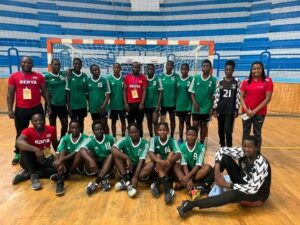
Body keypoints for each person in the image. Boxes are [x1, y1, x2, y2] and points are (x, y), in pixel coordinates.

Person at [177, 135, 271, 218]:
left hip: (256, 195)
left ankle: (191, 204)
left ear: (257, 147)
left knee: (233, 194)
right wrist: (217, 168)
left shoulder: (261, 164)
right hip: (243, 181)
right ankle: (205, 186)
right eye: (244, 146)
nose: (246, 149)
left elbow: (252, 189)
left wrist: (227, 185)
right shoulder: (243, 152)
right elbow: (221, 150)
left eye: (250, 147)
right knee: (225, 158)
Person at [7, 56, 51, 165]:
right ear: (21, 63)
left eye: (29, 62)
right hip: (21, 109)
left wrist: (48, 106)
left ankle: (46, 151)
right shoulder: (14, 76)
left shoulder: (39, 76)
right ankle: (18, 152)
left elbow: (45, 91)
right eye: (24, 62)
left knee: (42, 130)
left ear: (32, 64)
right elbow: (10, 94)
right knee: (20, 132)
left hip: (36, 108)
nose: (27, 64)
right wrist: (9, 109)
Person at [13, 114, 58, 190]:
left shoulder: (51, 129)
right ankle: (34, 178)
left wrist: (59, 158)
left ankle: (28, 174)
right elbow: (18, 142)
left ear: (44, 120)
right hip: (30, 158)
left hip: (46, 153)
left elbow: (55, 144)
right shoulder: (27, 131)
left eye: (41, 120)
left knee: (56, 169)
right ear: (32, 122)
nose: (39, 122)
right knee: (24, 149)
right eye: (36, 121)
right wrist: (36, 149)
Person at [140, 122, 181, 204]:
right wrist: (159, 161)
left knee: (171, 154)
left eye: (164, 130)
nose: (162, 132)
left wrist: (167, 161)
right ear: (157, 131)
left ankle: (157, 183)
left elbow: (179, 154)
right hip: (157, 166)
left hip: (168, 166)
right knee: (157, 155)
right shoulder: (153, 139)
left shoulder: (172, 141)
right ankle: (168, 191)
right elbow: (151, 153)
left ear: (168, 131)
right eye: (160, 130)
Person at [240, 61, 273, 151]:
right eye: (254, 69)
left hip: (259, 113)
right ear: (251, 70)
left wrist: (254, 111)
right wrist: (246, 110)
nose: (256, 70)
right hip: (246, 112)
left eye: (258, 68)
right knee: (245, 133)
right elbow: (241, 96)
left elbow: (268, 98)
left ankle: (257, 154)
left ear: (262, 69)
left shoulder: (268, 81)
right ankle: (244, 152)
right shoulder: (246, 81)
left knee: (257, 133)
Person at [173, 126, 212, 200]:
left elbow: (198, 165)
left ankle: (182, 184)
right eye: (188, 135)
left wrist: (188, 178)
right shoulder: (182, 146)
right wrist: (189, 178)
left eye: (193, 135)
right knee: (176, 166)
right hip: (186, 170)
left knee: (207, 167)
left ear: (197, 136)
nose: (190, 137)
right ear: (186, 135)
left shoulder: (202, 147)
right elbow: (184, 164)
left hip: (196, 170)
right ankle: (193, 187)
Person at [111, 123, 149, 197]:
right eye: (132, 132)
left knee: (151, 165)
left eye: (136, 132)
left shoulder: (145, 143)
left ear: (139, 131)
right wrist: (127, 157)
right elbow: (113, 149)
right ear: (128, 133)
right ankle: (127, 181)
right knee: (115, 155)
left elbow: (141, 160)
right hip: (127, 167)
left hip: (139, 168)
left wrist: (135, 177)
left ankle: (126, 182)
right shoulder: (125, 139)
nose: (134, 134)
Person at [51, 120, 88, 195]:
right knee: (63, 151)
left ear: (80, 128)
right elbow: (58, 153)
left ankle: (68, 172)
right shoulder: (65, 138)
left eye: (77, 128)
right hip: (68, 162)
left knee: (79, 152)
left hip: (80, 164)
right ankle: (60, 179)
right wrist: (58, 165)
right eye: (72, 128)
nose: (74, 130)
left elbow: (76, 152)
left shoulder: (85, 138)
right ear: (69, 129)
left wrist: (60, 160)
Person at [80, 121, 115, 196]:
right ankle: (103, 179)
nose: (99, 131)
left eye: (101, 129)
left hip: (106, 166)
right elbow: (81, 149)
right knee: (88, 151)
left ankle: (96, 183)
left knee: (111, 155)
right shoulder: (90, 139)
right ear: (93, 131)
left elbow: (118, 150)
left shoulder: (110, 138)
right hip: (93, 167)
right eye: (96, 130)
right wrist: (91, 160)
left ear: (104, 129)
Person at [213, 60, 240, 147]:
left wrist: (236, 109)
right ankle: (222, 145)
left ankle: (229, 146)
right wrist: (215, 108)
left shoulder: (236, 81)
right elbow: (217, 95)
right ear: (224, 70)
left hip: (230, 110)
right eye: (226, 69)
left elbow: (238, 96)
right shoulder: (220, 81)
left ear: (233, 70)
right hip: (221, 109)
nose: (228, 71)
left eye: (230, 69)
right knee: (220, 129)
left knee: (228, 130)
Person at [189, 59, 217, 144]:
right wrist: (194, 103)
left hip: (207, 107)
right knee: (195, 125)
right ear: (202, 68)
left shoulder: (213, 80)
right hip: (196, 107)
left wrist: (212, 108)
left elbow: (214, 96)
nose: (205, 68)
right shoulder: (196, 78)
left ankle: (201, 142)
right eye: (204, 66)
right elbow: (191, 92)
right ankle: (193, 141)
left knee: (204, 125)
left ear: (210, 68)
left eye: (207, 66)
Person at [44, 58, 68, 139]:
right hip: (52, 105)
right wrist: (46, 95)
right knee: (53, 126)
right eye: (55, 64)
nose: (57, 66)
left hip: (62, 104)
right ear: (51, 65)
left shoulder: (63, 74)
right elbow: (41, 90)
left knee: (65, 124)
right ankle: (54, 142)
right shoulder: (47, 76)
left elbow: (71, 71)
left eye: (59, 64)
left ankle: (62, 139)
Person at [123, 62, 147, 137]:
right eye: (134, 67)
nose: (135, 69)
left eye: (137, 67)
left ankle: (141, 139)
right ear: (132, 68)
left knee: (139, 123)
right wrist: (126, 104)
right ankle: (130, 139)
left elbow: (144, 90)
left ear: (139, 68)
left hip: (139, 104)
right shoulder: (127, 77)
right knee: (130, 123)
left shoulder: (143, 77)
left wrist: (142, 103)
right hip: (129, 104)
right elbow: (124, 90)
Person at [65, 58, 88, 133]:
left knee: (81, 122)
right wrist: (69, 106)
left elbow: (86, 91)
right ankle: (71, 138)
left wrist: (88, 104)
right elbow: (67, 92)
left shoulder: (84, 76)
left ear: (81, 65)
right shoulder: (69, 75)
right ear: (73, 64)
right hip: (73, 105)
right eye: (75, 63)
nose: (77, 65)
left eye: (79, 64)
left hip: (82, 104)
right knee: (73, 123)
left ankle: (81, 138)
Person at [87, 64, 110, 134]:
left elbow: (108, 94)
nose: (97, 71)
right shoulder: (87, 81)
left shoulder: (104, 80)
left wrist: (104, 106)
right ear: (91, 71)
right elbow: (86, 95)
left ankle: (107, 139)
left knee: (104, 124)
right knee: (95, 125)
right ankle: (96, 140)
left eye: (98, 69)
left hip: (103, 107)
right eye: (95, 70)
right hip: (93, 108)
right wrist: (90, 104)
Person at [107, 63, 126, 138]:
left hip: (122, 105)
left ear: (120, 69)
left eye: (118, 68)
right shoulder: (109, 79)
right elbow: (107, 93)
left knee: (123, 121)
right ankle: (114, 137)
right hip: (113, 105)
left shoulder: (123, 79)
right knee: (113, 122)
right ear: (112, 68)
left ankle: (123, 136)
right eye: (115, 67)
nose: (116, 69)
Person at [176, 63, 193, 145]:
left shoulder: (191, 79)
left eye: (185, 69)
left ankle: (188, 138)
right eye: (182, 69)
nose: (184, 70)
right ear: (180, 70)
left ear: (188, 70)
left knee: (188, 122)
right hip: (179, 105)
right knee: (181, 122)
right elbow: (175, 93)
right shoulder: (178, 80)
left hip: (188, 105)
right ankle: (180, 138)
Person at [160, 60, 178, 138]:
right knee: (162, 121)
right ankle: (162, 136)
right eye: (167, 65)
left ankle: (172, 136)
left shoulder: (176, 76)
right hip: (163, 103)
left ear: (173, 66)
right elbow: (159, 91)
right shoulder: (161, 77)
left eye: (170, 65)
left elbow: (178, 90)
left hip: (173, 103)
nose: (169, 66)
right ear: (165, 66)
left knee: (172, 119)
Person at [144, 64, 163, 137]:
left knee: (154, 121)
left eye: (152, 69)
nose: (150, 71)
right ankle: (151, 136)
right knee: (149, 121)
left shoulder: (158, 79)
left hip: (155, 104)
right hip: (147, 104)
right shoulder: (144, 79)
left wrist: (159, 104)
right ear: (146, 70)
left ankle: (157, 136)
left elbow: (161, 92)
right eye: (149, 69)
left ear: (154, 70)